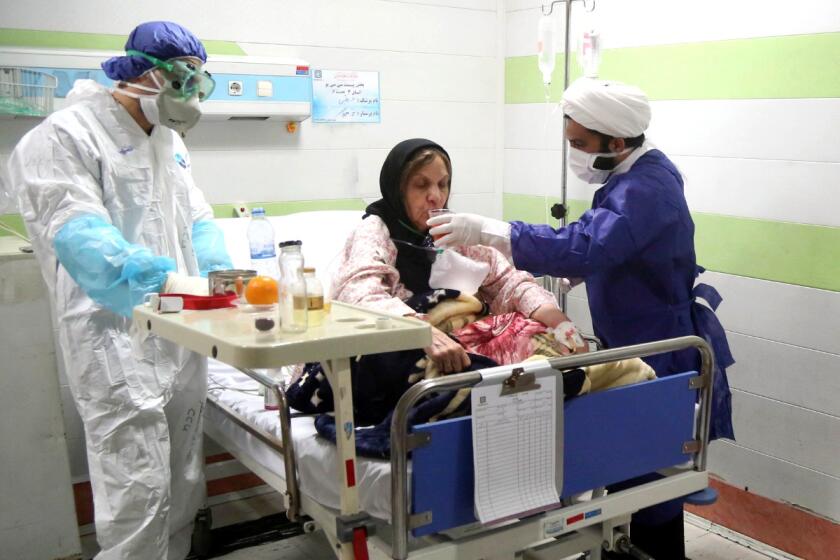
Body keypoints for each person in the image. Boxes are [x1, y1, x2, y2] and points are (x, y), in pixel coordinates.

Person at [428, 78, 735, 559]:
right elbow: (609, 245)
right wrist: (585, 275)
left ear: (616, 142)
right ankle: (627, 545)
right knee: (636, 464)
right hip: (634, 335)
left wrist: (490, 231)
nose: (573, 154)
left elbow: (589, 243)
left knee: (651, 473)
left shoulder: (646, 186)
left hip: (659, 342)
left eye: (580, 145)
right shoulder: (632, 175)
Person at [6, 21, 232, 560]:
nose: (189, 97)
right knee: (135, 488)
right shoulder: (64, 137)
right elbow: (82, 239)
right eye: (180, 81)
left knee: (180, 481)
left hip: (179, 332)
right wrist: (167, 280)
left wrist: (222, 274)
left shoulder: (170, 143)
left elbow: (195, 218)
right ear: (141, 74)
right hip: (113, 340)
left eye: (198, 84)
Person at [332, 138, 586, 373]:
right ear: (397, 189)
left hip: (461, 341)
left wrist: (559, 321)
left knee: (546, 341)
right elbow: (359, 296)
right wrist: (421, 332)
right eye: (421, 185)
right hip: (404, 347)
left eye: (443, 184)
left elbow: (508, 281)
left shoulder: (451, 231)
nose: (436, 196)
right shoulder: (375, 232)